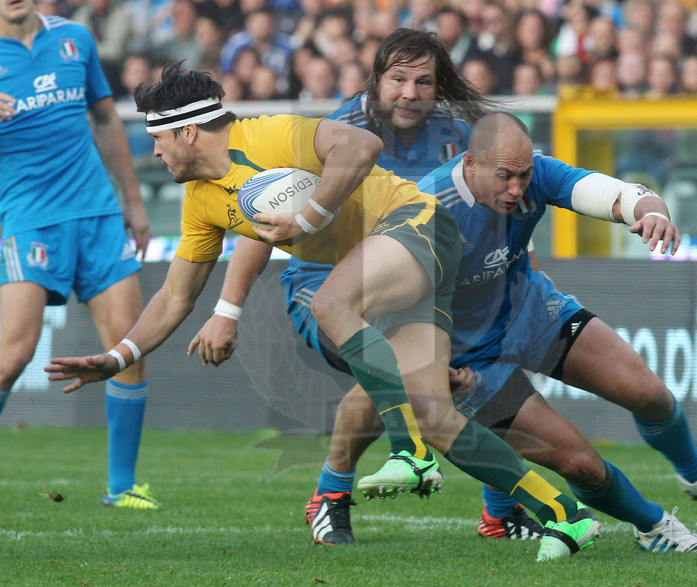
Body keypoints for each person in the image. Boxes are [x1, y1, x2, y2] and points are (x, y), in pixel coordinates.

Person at [45, 62, 602, 561]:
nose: (157, 152)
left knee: (332, 300)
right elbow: (174, 297)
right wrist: (119, 357)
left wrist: (308, 217)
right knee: (438, 417)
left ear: (189, 131)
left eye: (160, 138)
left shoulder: (266, 134)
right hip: (387, 272)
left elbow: (362, 149)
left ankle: (405, 453)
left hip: (419, 225)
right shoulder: (201, 204)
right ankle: (567, 515)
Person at [188, 30, 697, 554]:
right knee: (387, 367)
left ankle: (499, 509)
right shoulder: (335, 132)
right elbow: (262, 221)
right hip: (337, 281)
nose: (410, 93)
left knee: (417, 375)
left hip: (469, 291)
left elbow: (533, 189)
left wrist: (535, 249)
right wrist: (227, 310)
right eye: (398, 80)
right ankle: (338, 489)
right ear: (376, 82)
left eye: (424, 82)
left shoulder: (466, 133)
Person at [311, 112, 697, 547]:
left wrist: (651, 212)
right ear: (469, 164)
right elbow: (380, 313)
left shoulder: (537, 173)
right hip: (472, 358)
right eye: (505, 177)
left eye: (524, 176)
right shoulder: (428, 212)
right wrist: (434, 372)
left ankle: (696, 473)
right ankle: (653, 526)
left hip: (534, 313)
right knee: (579, 464)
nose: (517, 189)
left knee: (648, 392)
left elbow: (619, 193)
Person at [0, 0, 158, 508]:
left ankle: (122, 487)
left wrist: (132, 203)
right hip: (28, 219)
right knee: (11, 357)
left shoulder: (76, 39)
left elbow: (107, 120)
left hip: (98, 213)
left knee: (127, 349)